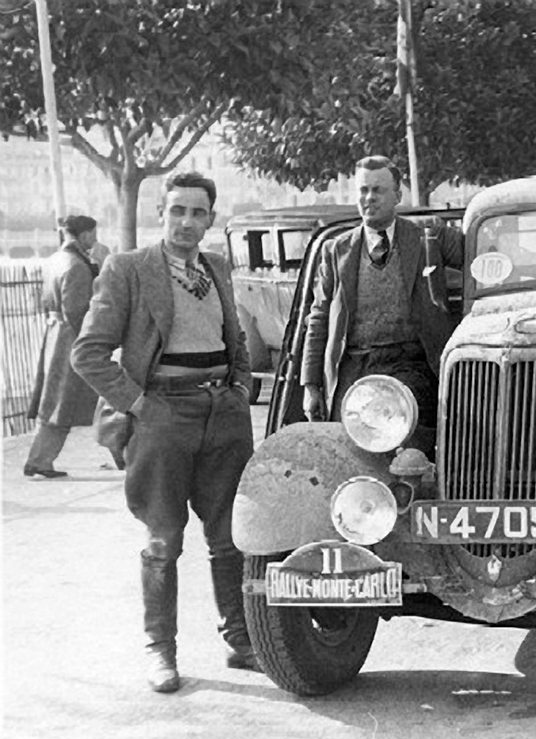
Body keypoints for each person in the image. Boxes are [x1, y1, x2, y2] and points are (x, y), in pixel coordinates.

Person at [72, 171, 258, 693]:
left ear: (211, 219)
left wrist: (240, 390)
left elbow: (237, 342)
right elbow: (88, 353)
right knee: (163, 540)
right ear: (161, 213)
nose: (186, 222)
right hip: (162, 417)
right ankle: (161, 650)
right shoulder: (129, 269)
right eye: (177, 210)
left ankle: (239, 640)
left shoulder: (216, 267)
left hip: (222, 416)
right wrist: (139, 406)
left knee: (230, 537)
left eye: (198, 213)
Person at [301, 155, 462, 429]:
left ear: (397, 196)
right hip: (353, 368)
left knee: (407, 441)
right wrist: (311, 386)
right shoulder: (335, 250)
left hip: (412, 365)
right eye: (363, 190)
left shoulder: (428, 237)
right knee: (350, 442)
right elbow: (318, 318)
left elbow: (481, 257)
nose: (369, 198)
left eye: (378, 190)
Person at [24, 216, 101, 478]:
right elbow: (77, 311)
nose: (95, 239)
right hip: (70, 338)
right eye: (93, 234)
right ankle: (40, 460)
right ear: (85, 234)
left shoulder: (55, 260)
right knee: (62, 404)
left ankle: (39, 458)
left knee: (55, 401)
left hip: (55, 335)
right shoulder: (77, 266)